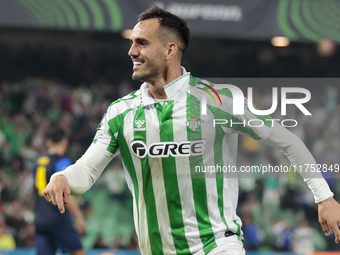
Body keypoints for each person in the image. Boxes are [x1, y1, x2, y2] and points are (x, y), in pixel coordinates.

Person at [44, 6, 340, 255]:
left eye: (142, 43)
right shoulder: (120, 113)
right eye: (133, 42)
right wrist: (62, 177)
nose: (131, 50)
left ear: (170, 49)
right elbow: (87, 171)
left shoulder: (218, 101)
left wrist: (324, 197)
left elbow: (287, 140)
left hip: (217, 245)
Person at [32, 127, 86, 255]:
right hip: (58, 218)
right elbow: (66, 194)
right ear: (65, 143)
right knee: (78, 252)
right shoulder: (62, 161)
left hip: (40, 219)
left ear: (48, 142)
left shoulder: (38, 162)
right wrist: (79, 217)